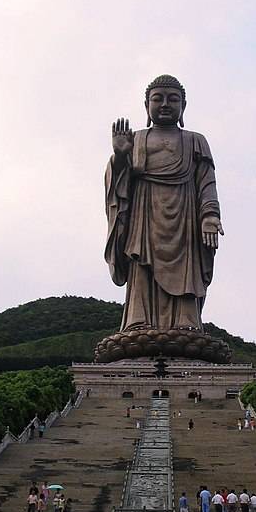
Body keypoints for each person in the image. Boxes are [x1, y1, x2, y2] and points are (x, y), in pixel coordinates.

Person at [105, 75, 224, 337]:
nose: (165, 104)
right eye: (157, 99)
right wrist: (121, 156)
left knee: (186, 270)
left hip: (185, 217)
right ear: (146, 105)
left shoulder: (195, 140)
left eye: (173, 99)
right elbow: (118, 185)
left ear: (184, 105)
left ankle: (187, 322)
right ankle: (138, 321)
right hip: (144, 215)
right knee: (141, 264)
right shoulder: (135, 139)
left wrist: (210, 215)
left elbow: (206, 182)